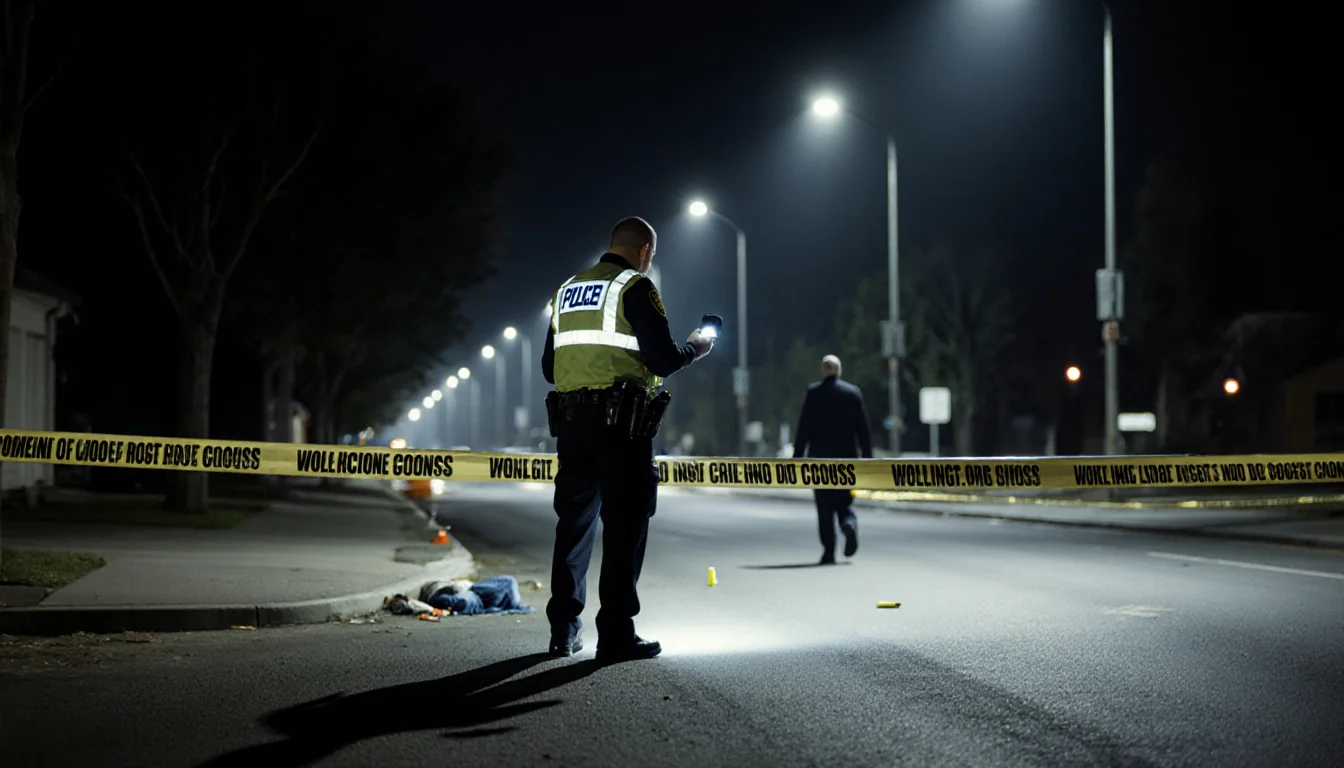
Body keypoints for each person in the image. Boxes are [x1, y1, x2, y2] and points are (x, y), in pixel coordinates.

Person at [540, 216, 714, 662]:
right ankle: (615, 634)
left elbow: (548, 367)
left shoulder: (565, 291)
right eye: (650, 256)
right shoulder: (636, 287)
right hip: (621, 426)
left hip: (572, 423)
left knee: (573, 525)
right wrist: (695, 347)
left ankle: (563, 631)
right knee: (625, 524)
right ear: (644, 252)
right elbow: (661, 357)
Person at [793, 355, 873, 565]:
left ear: (823, 371)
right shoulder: (852, 394)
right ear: (839, 370)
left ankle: (829, 551)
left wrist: (796, 459)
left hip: (819, 462)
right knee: (844, 501)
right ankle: (848, 523)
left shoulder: (814, 393)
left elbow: (804, 429)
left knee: (824, 507)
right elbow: (863, 430)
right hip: (847, 462)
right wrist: (868, 461)